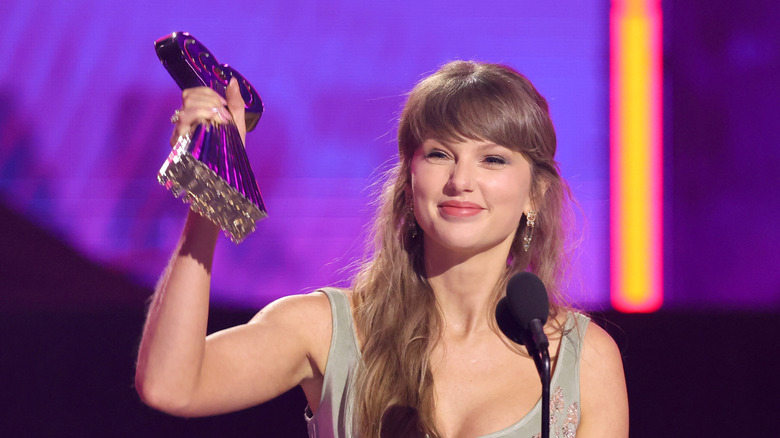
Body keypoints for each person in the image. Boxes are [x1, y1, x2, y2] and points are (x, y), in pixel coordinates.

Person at [135, 61, 629, 437]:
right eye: (439, 154)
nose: (460, 181)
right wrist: (209, 196)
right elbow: (170, 384)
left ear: (534, 195)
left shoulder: (579, 360)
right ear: (409, 179)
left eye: (493, 159)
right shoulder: (329, 328)